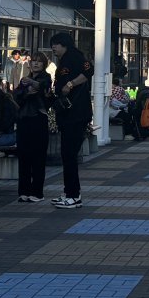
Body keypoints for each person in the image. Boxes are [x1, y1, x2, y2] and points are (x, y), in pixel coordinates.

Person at [48, 31, 92, 208]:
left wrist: (70, 84)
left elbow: (89, 70)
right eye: (52, 45)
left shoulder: (74, 56)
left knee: (69, 155)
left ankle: (74, 195)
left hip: (76, 114)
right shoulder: (63, 60)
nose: (53, 48)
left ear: (65, 44)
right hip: (67, 115)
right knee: (67, 155)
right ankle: (68, 192)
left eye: (56, 44)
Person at [13, 53, 52, 202]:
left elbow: (42, 88)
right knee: (23, 156)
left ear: (44, 64)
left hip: (38, 119)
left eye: (39, 62)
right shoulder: (25, 79)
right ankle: (23, 191)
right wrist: (27, 92)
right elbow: (17, 96)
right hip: (24, 119)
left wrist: (30, 85)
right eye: (33, 61)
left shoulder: (46, 77)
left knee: (38, 157)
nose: (35, 64)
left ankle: (37, 192)